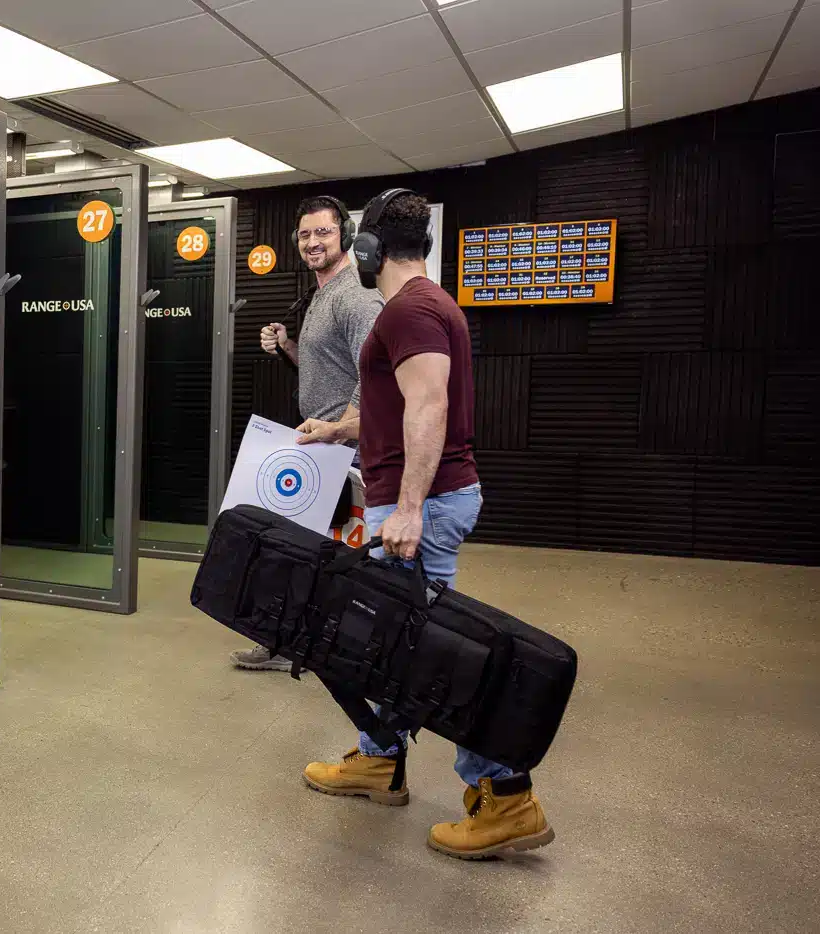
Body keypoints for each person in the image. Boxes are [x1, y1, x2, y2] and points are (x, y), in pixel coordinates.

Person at [303, 189, 555, 860]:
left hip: (423, 503)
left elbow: (429, 405)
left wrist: (409, 508)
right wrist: (335, 429)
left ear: (367, 247)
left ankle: (507, 796)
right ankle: (380, 758)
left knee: (430, 655)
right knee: (395, 643)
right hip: (424, 496)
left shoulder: (411, 310)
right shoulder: (426, 307)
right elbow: (396, 406)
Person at [229, 195, 383, 672]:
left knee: (336, 560)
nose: (312, 242)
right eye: (305, 234)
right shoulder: (323, 293)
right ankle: (287, 641)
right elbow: (331, 364)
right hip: (324, 444)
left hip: (346, 450)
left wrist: (342, 431)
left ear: (346, 238)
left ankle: (336, 650)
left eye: (323, 232)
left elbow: (373, 372)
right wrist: (289, 346)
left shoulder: (357, 296)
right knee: (299, 550)